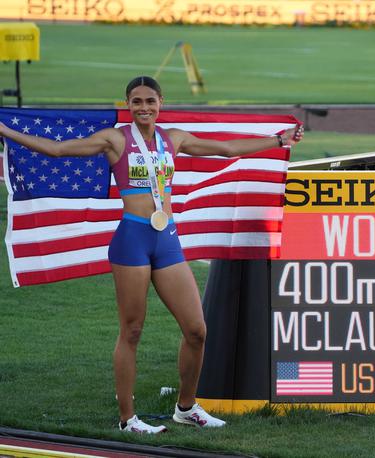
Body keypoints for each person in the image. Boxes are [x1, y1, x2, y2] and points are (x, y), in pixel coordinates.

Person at [0, 76, 304, 434]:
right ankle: (128, 418)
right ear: (128, 104)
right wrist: (5, 130)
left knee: (196, 330)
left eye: (150, 101)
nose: (143, 107)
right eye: (136, 101)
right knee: (131, 330)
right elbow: (59, 150)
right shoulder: (115, 139)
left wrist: (278, 141)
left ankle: (186, 408)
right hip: (132, 240)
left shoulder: (172, 139)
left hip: (167, 239)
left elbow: (225, 149)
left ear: (161, 102)